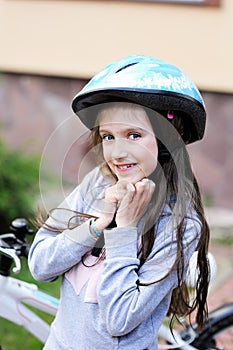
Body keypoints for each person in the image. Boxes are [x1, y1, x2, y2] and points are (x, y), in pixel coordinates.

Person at [28, 55, 210, 350]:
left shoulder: (179, 224)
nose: (117, 152)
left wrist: (124, 229)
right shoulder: (97, 184)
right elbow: (40, 265)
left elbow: (119, 319)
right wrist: (97, 224)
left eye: (134, 135)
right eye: (108, 136)